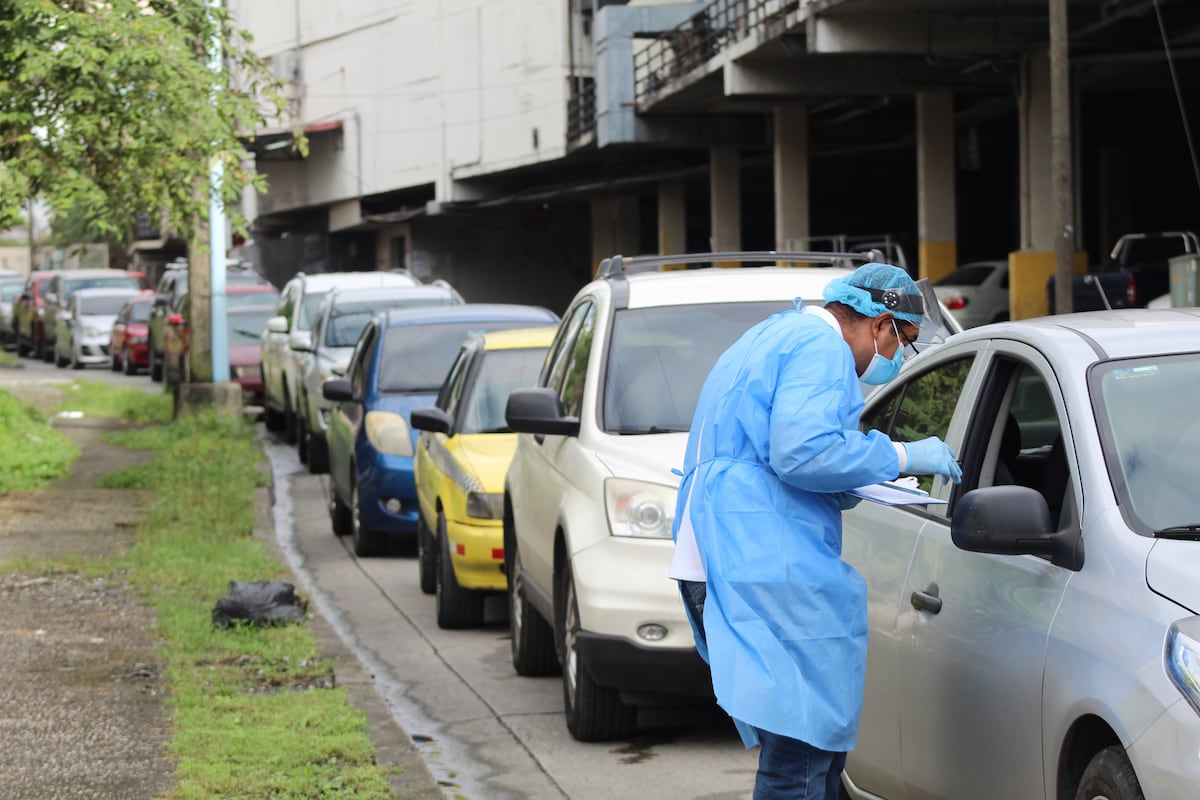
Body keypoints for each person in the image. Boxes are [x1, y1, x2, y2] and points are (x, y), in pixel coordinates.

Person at [669, 263, 962, 799]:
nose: (899, 357)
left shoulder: (777, 333)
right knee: (800, 758)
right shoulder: (820, 348)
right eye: (904, 340)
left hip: (729, 548)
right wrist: (899, 454)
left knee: (809, 755)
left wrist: (846, 480)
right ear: (880, 323)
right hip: (762, 559)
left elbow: (770, 448)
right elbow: (801, 450)